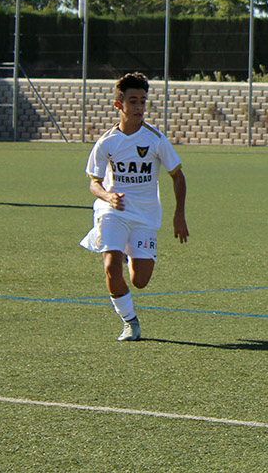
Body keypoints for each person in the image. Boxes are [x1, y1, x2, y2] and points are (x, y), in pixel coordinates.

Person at [79, 72, 189, 341]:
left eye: (143, 101)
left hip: (145, 215)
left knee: (139, 280)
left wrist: (179, 215)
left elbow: (177, 175)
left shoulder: (155, 139)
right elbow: (94, 183)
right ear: (119, 105)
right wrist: (107, 197)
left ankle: (130, 251)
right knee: (111, 267)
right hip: (112, 211)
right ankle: (129, 322)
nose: (140, 108)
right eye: (133, 102)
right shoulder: (106, 142)